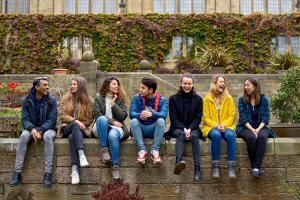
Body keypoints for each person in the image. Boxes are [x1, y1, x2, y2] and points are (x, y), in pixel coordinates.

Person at [9, 77, 57, 187]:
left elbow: (52, 120)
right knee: (23, 137)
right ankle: (17, 173)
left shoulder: (52, 100)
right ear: (36, 87)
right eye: (44, 85)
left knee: (48, 137)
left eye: (47, 85)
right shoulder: (27, 100)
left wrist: (40, 130)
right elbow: (24, 119)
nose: (47, 87)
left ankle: (48, 174)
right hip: (31, 128)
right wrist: (33, 129)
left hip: (48, 129)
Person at [237, 77, 276, 177]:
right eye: (244, 85)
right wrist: (252, 130)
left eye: (248, 85)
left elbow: (266, 117)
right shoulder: (242, 100)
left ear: (255, 86)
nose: (245, 87)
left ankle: (255, 168)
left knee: (262, 137)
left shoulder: (264, 100)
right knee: (251, 137)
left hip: (261, 127)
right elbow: (243, 117)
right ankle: (256, 167)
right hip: (245, 127)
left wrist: (258, 129)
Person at [58, 76, 93, 184]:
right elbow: (62, 115)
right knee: (74, 126)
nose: (72, 86)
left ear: (81, 86)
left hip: (80, 130)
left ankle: (74, 171)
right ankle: (81, 154)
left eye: (74, 84)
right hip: (67, 127)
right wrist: (75, 121)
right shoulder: (65, 98)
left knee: (72, 137)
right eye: (71, 84)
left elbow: (90, 119)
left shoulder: (89, 101)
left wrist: (81, 124)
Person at [93, 76, 129, 182]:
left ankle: (115, 168)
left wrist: (113, 105)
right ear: (107, 85)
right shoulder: (99, 98)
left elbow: (123, 116)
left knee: (113, 136)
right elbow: (96, 114)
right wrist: (112, 121)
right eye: (114, 84)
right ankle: (104, 150)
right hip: (101, 127)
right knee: (102, 119)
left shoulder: (120, 99)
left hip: (116, 129)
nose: (116, 86)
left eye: (117, 84)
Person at [168, 74, 203, 181]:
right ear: (181, 84)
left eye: (189, 84)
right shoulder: (173, 99)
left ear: (192, 85)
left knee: (194, 137)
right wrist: (184, 128)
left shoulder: (198, 99)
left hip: (193, 128)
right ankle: (178, 163)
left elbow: (198, 118)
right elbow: (173, 118)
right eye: (184, 83)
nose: (187, 86)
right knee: (181, 134)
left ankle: (197, 170)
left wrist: (190, 128)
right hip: (178, 128)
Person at [202, 75, 237, 178]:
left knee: (231, 136)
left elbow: (232, 115)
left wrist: (223, 125)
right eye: (220, 82)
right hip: (210, 127)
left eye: (224, 82)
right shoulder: (207, 98)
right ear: (214, 83)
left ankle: (231, 168)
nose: (223, 84)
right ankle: (215, 167)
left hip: (227, 126)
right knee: (216, 135)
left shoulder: (229, 98)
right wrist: (216, 125)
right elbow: (206, 117)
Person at [129, 77, 168, 165]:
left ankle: (155, 151)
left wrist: (152, 114)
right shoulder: (136, 98)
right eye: (140, 87)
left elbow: (164, 115)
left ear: (150, 90)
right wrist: (139, 115)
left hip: (153, 130)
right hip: (140, 130)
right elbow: (131, 114)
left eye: (143, 88)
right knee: (133, 121)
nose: (140, 90)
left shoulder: (162, 100)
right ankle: (142, 151)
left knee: (161, 121)